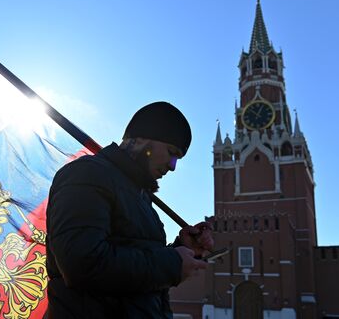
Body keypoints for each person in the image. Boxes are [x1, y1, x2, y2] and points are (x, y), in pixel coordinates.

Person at [45, 101, 214, 318]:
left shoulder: (141, 197)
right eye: (171, 153)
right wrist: (171, 264)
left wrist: (180, 249)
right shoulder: (86, 174)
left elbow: (136, 272)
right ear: (142, 138)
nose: (172, 167)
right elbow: (82, 264)